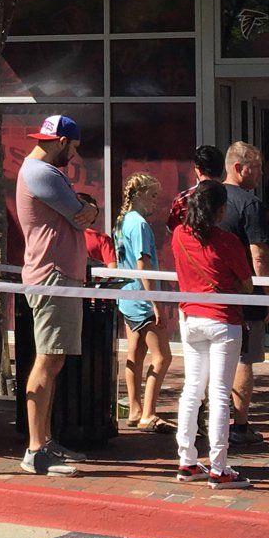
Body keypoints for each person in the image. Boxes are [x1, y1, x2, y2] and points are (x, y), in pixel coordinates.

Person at [16, 115, 102, 476]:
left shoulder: (40, 172)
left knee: (54, 360)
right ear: (62, 141)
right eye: (74, 148)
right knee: (48, 360)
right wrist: (91, 208)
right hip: (52, 277)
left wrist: (86, 208)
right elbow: (82, 214)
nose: (74, 156)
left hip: (58, 276)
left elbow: (79, 213)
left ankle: (45, 441)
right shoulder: (43, 173)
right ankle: (36, 449)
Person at [169, 178, 253, 488]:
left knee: (192, 389)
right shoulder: (228, 242)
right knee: (219, 393)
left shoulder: (178, 236)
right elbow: (247, 285)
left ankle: (187, 460)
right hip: (223, 319)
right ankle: (219, 467)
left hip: (191, 317)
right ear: (219, 210)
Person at [220, 142, 269, 450]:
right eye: (256, 167)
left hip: (209, 292)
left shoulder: (204, 199)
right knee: (244, 358)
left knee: (209, 358)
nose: (261, 173)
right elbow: (259, 254)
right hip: (243, 293)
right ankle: (240, 425)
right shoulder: (249, 204)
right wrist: (268, 295)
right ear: (238, 168)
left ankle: (210, 419)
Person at [113, 172, 171, 432]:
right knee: (163, 357)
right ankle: (148, 412)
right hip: (141, 298)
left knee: (135, 353)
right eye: (153, 195)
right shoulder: (138, 224)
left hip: (128, 296)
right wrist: (155, 302)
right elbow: (142, 263)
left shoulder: (124, 221)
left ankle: (135, 409)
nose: (156, 202)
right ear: (138, 195)